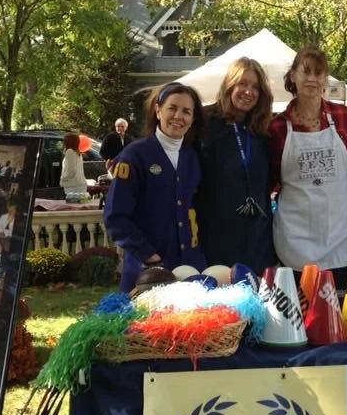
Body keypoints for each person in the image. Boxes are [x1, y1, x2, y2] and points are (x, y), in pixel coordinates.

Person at [268, 44, 347, 288]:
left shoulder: (343, 116)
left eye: (318, 73)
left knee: (338, 316)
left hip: (340, 236)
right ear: (293, 76)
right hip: (295, 238)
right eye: (305, 71)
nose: (312, 79)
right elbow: (272, 179)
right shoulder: (277, 127)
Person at [104, 82, 208, 292]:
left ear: (193, 119)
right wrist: (148, 255)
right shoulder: (134, 156)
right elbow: (115, 217)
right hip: (148, 272)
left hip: (190, 269)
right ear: (158, 110)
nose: (179, 116)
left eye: (186, 111)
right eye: (172, 108)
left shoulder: (192, 158)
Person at [197, 58, 277, 274]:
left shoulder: (263, 129)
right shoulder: (204, 122)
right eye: (242, 84)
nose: (248, 92)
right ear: (230, 84)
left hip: (258, 237)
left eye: (255, 87)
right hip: (216, 234)